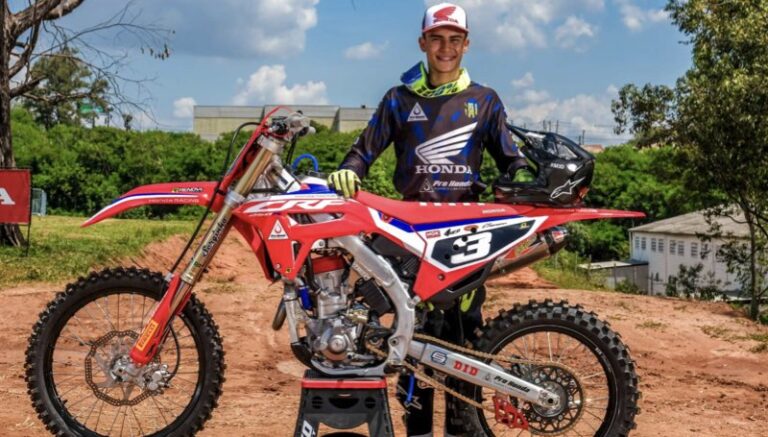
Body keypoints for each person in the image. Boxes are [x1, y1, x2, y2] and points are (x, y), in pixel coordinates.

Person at [328, 3, 534, 436]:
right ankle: (418, 431)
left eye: (454, 39)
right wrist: (349, 170)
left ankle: (463, 429)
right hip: (412, 236)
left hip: (466, 235)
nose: (446, 48)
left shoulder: (484, 100)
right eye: (437, 39)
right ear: (423, 42)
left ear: (466, 44)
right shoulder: (399, 99)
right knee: (414, 341)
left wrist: (521, 179)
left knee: (465, 342)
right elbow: (363, 151)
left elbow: (511, 159)